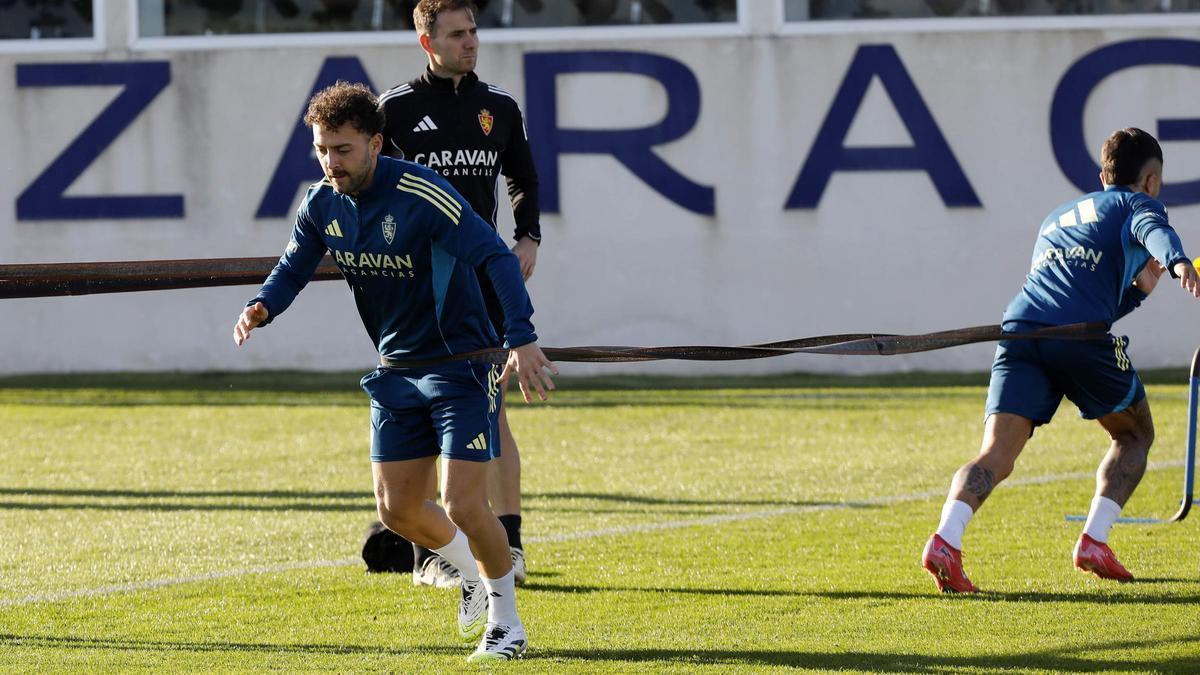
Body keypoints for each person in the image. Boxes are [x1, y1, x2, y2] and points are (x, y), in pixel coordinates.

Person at [233, 81, 554, 661]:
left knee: (462, 505)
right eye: (323, 149)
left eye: (344, 149)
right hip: (396, 370)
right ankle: (473, 578)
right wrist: (262, 306)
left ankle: (507, 624)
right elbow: (294, 264)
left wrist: (522, 339)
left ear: (377, 143)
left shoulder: (423, 194)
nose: (332, 162)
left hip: (460, 367)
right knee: (397, 510)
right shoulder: (321, 203)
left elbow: (496, 258)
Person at [921, 127, 1200, 594]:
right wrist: (1177, 262)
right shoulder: (1139, 205)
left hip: (1020, 332)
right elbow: (1155, 231)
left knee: (994, 453)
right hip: (1077, 338)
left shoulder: (1056, 217)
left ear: (1102, 174)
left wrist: (1135, 294)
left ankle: (945, 540)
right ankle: (1095, 539)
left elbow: (1070, 295)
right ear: (1151, 181)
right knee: (1135, 433)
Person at [378, 0, 540, 590]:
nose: (471, 42)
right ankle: (432, 555)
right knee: (420, 408)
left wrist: (528, 237)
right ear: (428, 43)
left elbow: (523, 176)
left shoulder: (498, 107)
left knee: (491, 409)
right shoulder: (394, 109)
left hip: (480, 279)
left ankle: (511, 544)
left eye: (473, 31)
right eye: (457, 34)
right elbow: (369, 191)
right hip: (416, 286)